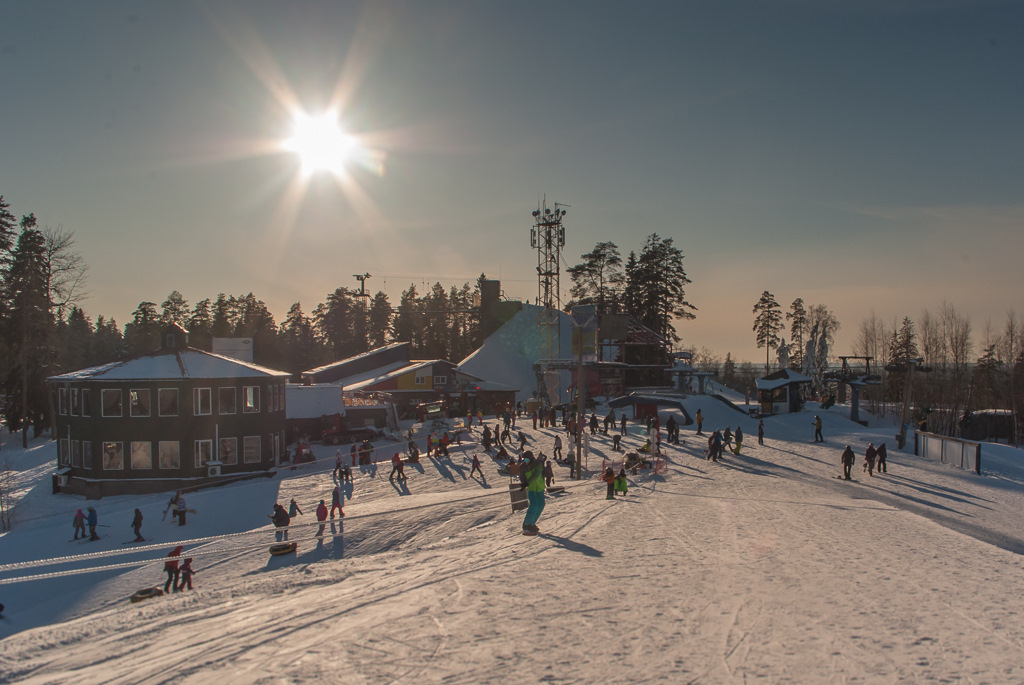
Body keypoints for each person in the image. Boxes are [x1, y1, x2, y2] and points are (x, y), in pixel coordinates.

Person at [520, 452, 546, 534]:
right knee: (534, 505)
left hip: (539, 487)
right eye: (524, 459)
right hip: (532, 488)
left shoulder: (538, 464)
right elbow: (522, 476)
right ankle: (526, 524)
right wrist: (524, 483)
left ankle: (532, 523)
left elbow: (536, 475)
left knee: (541, 504)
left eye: (526, 459)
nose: (525, 461)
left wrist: (527, 483)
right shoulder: (523, 467)